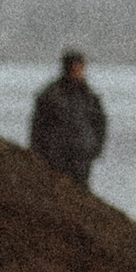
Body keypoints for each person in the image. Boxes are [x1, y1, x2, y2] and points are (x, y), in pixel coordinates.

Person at [28, 50, 106, 186]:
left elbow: (100, 124)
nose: (80, 71)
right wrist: (37, 152)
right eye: (76, 67)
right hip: (56, 157)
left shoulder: (90, 96)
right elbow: (38, 126)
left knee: (80, 195)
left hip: (82, 156)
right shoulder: (50, 95)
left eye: (81, 67)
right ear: (67, 68)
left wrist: (95, 149)